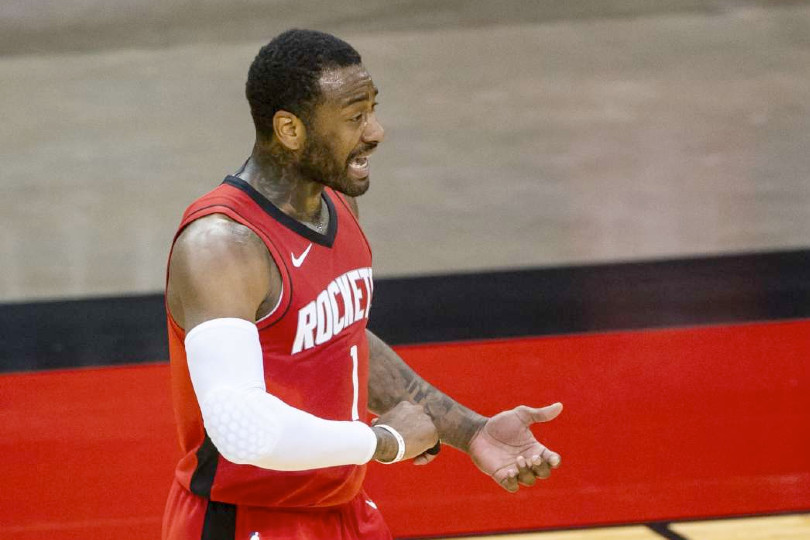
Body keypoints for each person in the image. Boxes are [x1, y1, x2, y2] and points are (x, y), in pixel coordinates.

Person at [162, 29, 563, 540]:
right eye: (355, 118)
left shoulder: (337, 203)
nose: (375, 132)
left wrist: (471, 430)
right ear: (290, 129)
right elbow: (240, 428)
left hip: (346, 509)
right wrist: (383, 442)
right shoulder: (221, 246)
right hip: (246, 519)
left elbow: (342, 341)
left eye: (372, 110)